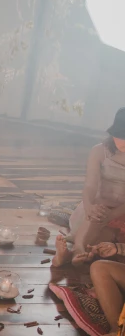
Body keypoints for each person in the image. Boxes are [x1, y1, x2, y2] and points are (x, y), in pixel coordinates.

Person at [53, 108, 125, 267]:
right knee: (98, 214)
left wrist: (113, 214)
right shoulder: (99, 151)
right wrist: (89, 206)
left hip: (121, 211)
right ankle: (78, 250)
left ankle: (72, 255)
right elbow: (90, 185)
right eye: (120, 137)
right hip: (98, 207)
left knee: (107, 240)